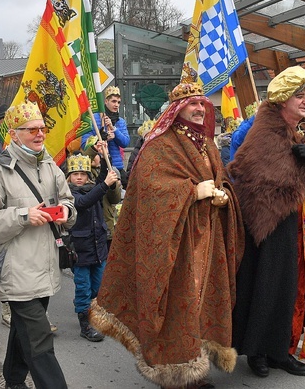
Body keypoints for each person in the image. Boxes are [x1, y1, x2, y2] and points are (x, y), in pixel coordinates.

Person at [90, 81, 243, 389]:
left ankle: (194, 369)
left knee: (199, 304)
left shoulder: (209, 144)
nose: (200, 109)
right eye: (192, 104)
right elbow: (148, 189)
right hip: (177, 243)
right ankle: (174, 375)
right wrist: (190, 192)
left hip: (207, 239)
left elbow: (219, 178)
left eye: (202, 104)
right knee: (177, 304)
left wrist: (222, 195)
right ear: (177, 109)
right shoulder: (160, 144)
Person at [230, 67, 305, 375]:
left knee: (293, 290)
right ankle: (257, 352)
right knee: (266, 287)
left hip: (302, 224)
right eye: (298, 96)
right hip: (270, 222)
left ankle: (282, 349)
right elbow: (249, 174)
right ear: (281, 101)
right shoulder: (264, 131)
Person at [0, 101, 76, 389]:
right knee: (39, 340)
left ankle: (13, 380)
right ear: (14, 134)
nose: (40, 134)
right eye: (31, 130)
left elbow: (68, 201)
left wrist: (66, 211)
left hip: (45, 266)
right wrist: (23, 216)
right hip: (16, 271)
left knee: (24, 330)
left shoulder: (50, 165)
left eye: (42, 128)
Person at [65, 149, 119, 342]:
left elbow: (104, 177)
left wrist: (104, 154)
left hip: (98, 247)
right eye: (75, 174)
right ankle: (84, 324)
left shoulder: (94, 187)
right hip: (80, 250)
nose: (79, 178)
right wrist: (104, 185)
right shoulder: (69, 193)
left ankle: (92, 312)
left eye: (83, 174)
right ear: (69, 177)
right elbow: (83, 203)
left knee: (98, 287)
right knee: (83, 288)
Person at [83, 86, 129, 180]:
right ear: (106, 101)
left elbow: (125, 142)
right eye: (113, 101)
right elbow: (84, 144)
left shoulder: (120, 121)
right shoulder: (93, 119)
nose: (116, 105)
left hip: (117, 167)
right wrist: (101, 138)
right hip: (98, 167)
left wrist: (115, 131)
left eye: (118, 102)